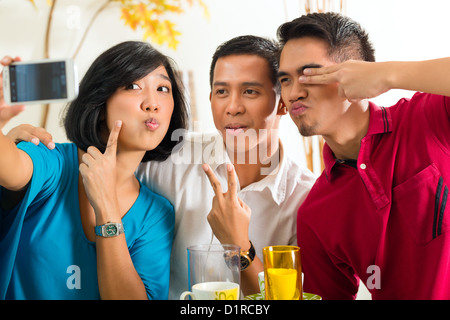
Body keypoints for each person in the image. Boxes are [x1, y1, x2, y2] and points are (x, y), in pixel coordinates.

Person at [9, 35, 316, 298]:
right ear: (210, 98)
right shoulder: (170, 157)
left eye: (250, 91)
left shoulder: (306, 200)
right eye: (222, 91)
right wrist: (10, 138)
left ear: (282, 102)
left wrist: (242, 248)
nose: (233, 106)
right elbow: (43, 166)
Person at [276, 12, 450, 299]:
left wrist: (388, 74)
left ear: (355, 75)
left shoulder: (427, 119)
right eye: (285, 80)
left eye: (309, 75)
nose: (293, 92)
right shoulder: (315, 213)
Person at [0, 41, 189, 299]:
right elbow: (9, 167)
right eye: (133, 86)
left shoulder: (155, 214)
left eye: (163, 88)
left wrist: (107, 209)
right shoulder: (52, 160)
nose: (153, 103)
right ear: (101, 104)